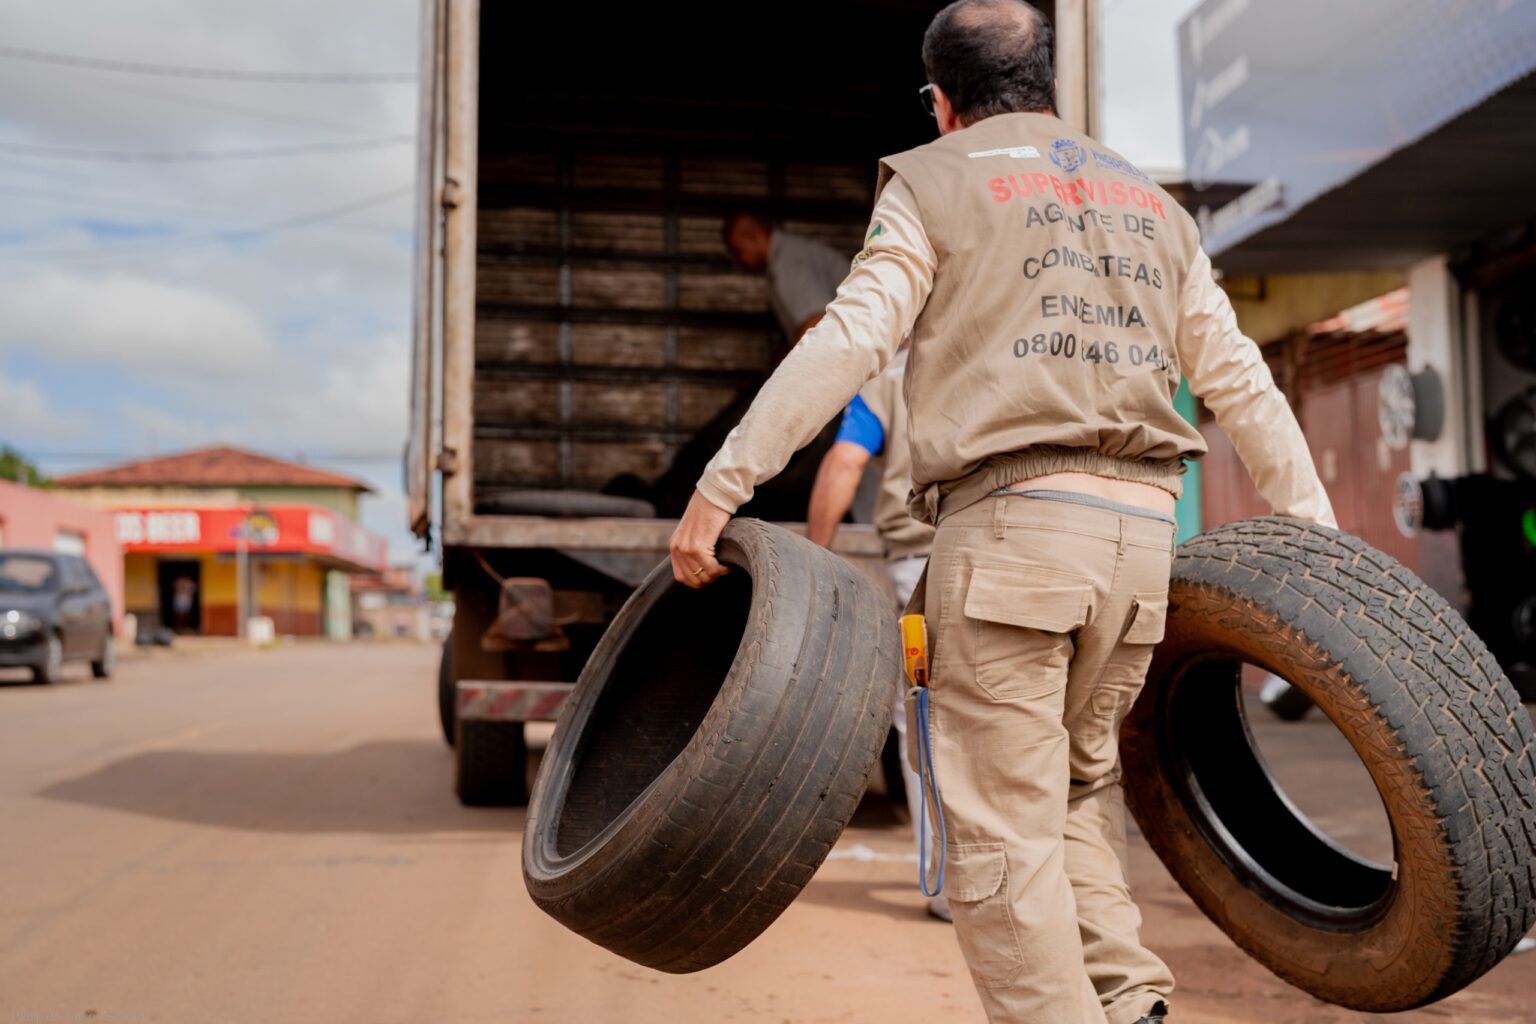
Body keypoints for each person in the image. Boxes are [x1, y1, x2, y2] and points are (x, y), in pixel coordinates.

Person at [670, 2, 1336, 1021]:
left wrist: (723, 485)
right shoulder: (1152, 206)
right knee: (1074, 799)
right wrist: (1323, 548)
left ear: (940, 103)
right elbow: (1240, 382)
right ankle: (1134, 1008)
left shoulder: (932, 184)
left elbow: (848, 341)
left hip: (1014, 544)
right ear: (1051, 87)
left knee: (996, 845)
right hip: (1140, 549)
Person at [807, 351, 949, 922]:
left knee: (923, 717)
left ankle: (945, 887)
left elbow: (844, 462)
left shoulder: (888, 382)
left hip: (922, 570)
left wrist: (816, 560)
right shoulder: (1008, 348)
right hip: (1016, 554)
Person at [724, 212, 850, 345]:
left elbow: (816, 324)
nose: (738, 260)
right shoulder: (783, 259)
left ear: (751, 236)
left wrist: (788, 365)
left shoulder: (788, 262)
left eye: (737, 251)